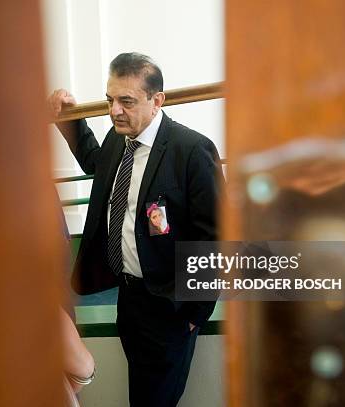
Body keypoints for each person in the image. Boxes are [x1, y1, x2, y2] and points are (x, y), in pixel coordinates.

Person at [49, 52, 222, 406]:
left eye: (126, 101)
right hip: (128, 300)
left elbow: (216, 238)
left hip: (170, 308)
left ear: (157, 101)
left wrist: (194, 314)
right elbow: (94, 161)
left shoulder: (191, 150)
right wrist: (70, 119)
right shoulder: (118, 141)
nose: (114, 111)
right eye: (110, 99)